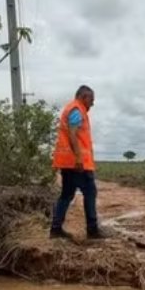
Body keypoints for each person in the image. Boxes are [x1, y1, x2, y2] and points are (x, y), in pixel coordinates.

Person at [50, 85, 106, 239]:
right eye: (91, 100)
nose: (92, 104)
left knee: (67, 195)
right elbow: (73, 134)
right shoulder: (77, 110)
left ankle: (55, 229)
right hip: (77, 165)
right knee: (90, 193)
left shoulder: (73, 109)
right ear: (83, 97)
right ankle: (92, 230)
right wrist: (79, 158)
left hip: (69, 163)